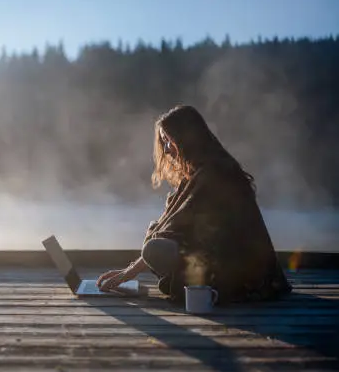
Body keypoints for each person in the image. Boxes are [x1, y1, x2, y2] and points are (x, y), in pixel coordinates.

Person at [96, 105, 292, 304]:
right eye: (163, 142)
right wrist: (127, 271)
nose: (166, 150)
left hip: (237, 267)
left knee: (155, 247)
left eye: (169, 141)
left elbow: (179, 229)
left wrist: (128, 274)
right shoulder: (198, 171)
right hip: (212, 255)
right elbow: (169, 226)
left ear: (186, 139)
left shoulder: (215, 173)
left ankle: (203, 287)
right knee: (154, 232)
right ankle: (184, 283)